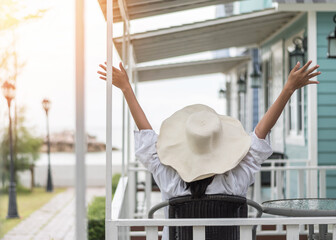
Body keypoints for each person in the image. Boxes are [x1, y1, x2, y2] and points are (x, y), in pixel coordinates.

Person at [98, 60, 320, 239]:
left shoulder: (170, 179)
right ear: (221, 145)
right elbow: (260, 135)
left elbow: (146, 137)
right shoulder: (233, 181)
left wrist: (126, 88)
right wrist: (288, 89)